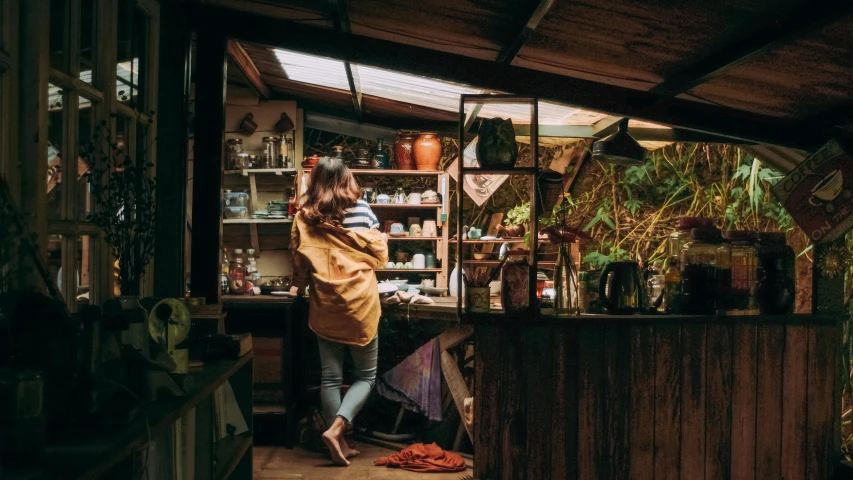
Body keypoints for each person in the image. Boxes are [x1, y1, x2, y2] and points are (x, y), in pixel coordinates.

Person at [291, 157, 388, 466]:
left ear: (315, 181)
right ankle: (336, 430)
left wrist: (300, 286)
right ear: (347, 179)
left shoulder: (305, 217)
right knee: (365, 376)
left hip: (326, 303)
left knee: (330, 378)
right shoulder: (362, 210)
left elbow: (301, 262)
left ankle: (340, 442)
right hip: (360, 303)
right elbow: (380, 253)